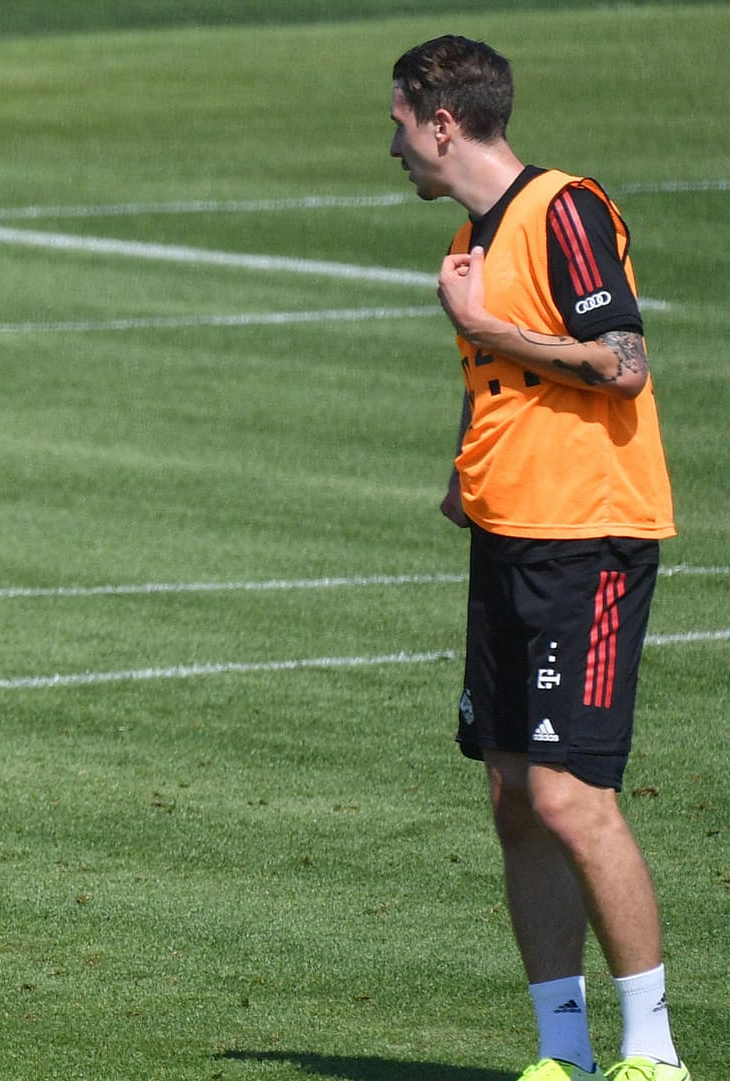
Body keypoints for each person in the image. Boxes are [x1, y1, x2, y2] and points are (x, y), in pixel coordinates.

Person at [390, 35, 685, 1081]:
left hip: (588, 538)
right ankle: (561, 1053)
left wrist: (481, 322)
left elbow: (622, 361)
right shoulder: (480, 234)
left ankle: (653, 1053)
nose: (391, 148)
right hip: (513, 534)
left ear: (441, 120)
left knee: (569, 795)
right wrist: (464, 478)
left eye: (397, 123)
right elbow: (504, 388)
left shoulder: (565, 207)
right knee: (515, 795)